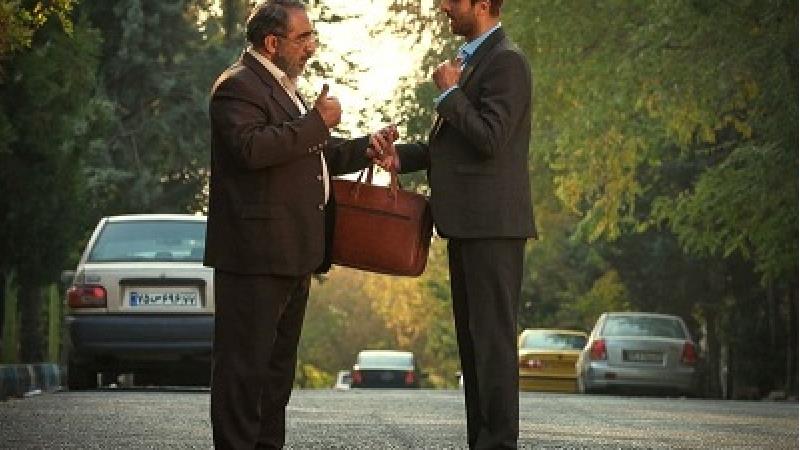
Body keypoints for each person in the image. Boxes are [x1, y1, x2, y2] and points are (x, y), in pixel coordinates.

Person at [203, 1, 395, 448]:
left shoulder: (282, 88)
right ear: (272, 43)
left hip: (293, 253)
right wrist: (317, 122)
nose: (312, 47)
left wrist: (366, 147)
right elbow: (252, 150)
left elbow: (312, 155)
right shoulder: (237, 86)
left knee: (274, 379)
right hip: (255, 257)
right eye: (304, 37)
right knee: (243, 376)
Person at [393, 0, 536, 448]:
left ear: (482, 4)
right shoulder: (472, 61)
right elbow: (450, 147)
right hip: (468, 227)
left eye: (452, 0)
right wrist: (397, 157)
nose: (442, 7)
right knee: (475, 346)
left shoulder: (507, 62)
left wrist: (451, 95)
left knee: (491, 345)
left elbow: (491, 138)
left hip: (493, 227)